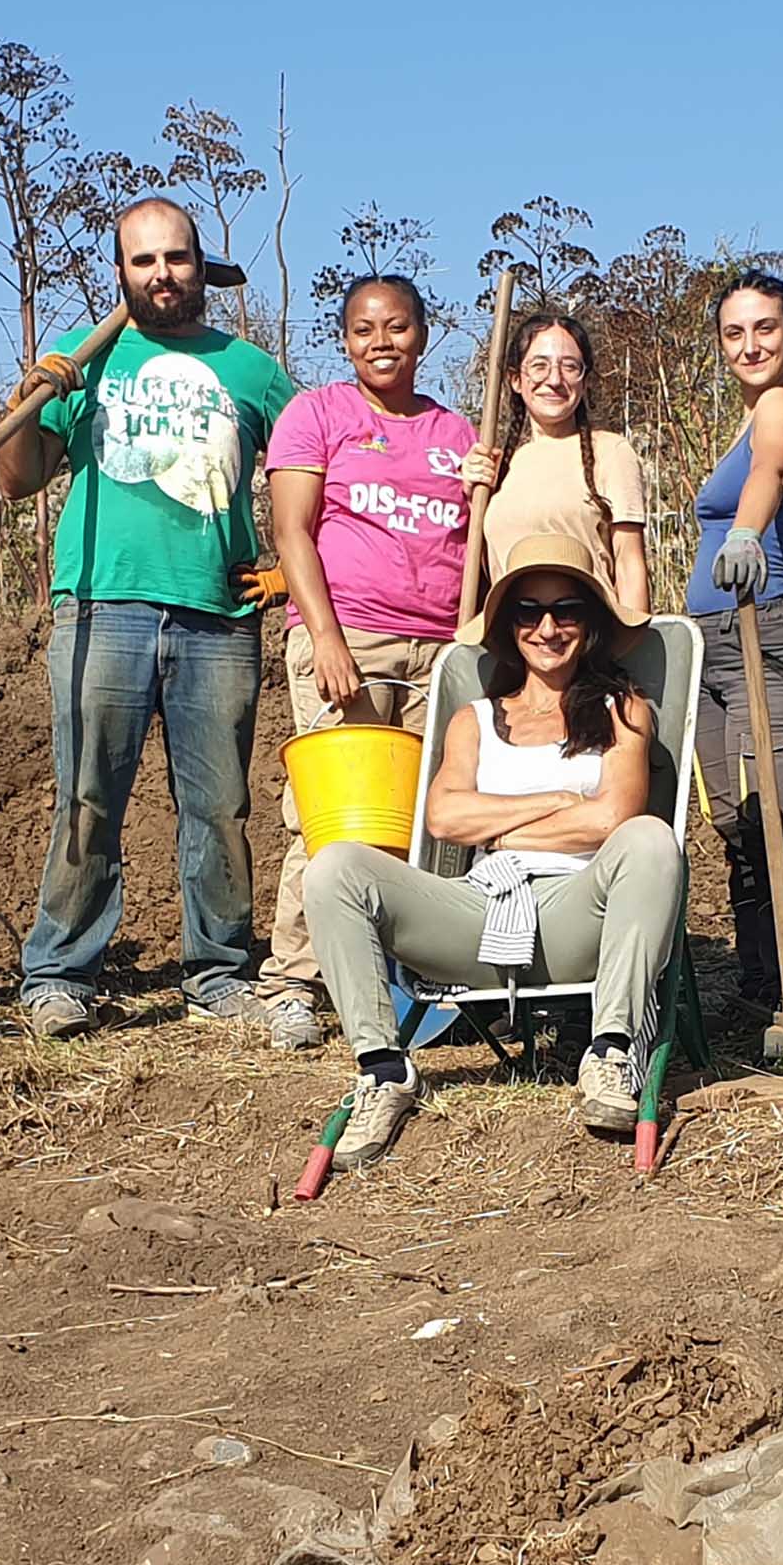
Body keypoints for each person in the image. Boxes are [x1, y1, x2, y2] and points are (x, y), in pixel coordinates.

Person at [0, 197, 285, 1040]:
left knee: (220, 804)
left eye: (177, 258)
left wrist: (286, 571)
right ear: (120, 272)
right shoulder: (85, 362)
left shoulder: (250, 369)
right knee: (88, 795)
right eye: (143, 260)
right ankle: (58, 973)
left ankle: (221, 972)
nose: (162, 273)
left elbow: (316, 467)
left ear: (203, 266)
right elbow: (17, 476)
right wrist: (32, 395)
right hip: (102, 605)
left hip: (218, 613)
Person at [302, 538, 684, 1170]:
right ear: (509, 627)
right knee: (336, 868)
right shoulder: (474, 720)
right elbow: (445, 817)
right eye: (528, 612)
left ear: (590, 624)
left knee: (649, 840)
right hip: (478, 915)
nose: (547, 628)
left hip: (577, 914)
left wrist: (499, 828)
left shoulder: (623, 709)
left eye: (567, 611)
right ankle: (383, 1070)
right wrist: (558, 800)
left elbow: (616, 817)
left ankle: (612, 1052)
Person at [253, 274, 476, 1051]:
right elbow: (293, 532)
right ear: (344, 340)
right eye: (363, 329)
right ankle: (294, 979)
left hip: (441, 651)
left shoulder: (457, 435)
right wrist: (327, 638)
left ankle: (415, 979)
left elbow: (474, 545)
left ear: (425, 334)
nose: (381, 341)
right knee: (332, 814)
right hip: (352, 638)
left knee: (428, 821)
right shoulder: (317, 416)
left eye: (397, 326)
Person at [687, 269, 783, 1032]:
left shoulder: (780, 407)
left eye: (766, 329)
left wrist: (750, 535)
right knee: (737, 820)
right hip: (713, 642)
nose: (750, 345)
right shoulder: (748, 418)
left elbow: (776, 469)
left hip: (764, 628)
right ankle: (760, 979)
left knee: (776, 810)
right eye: (735, 333)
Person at [459, 309, 653, 613]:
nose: (554, 380)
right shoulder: (501, 466)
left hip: (588, 635)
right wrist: (474, 498)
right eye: (539, 366)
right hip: (519, 640)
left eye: (570, 367)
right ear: (515, 380)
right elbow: (491, 568)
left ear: (585, 380)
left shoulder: (611, 452)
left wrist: (635, 649)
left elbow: (630, 563)